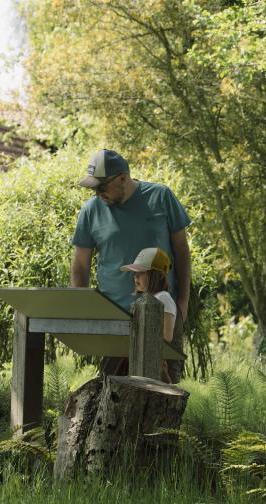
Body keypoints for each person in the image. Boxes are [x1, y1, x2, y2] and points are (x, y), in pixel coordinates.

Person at [70, 149, 191, 381]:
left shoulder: (161, 197)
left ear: (123, 178)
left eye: (102, 186)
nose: (98, 193)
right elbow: (80, 267)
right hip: (114, 318)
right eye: (94, 188)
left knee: (164, 393)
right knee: (112, 392)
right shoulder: (90, 211)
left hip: (163, 314)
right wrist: (82, 312)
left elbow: (182, 252)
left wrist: (183, 301)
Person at [120, 247, 176, 384]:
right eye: (135, 273)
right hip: (140, 362)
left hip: (154, 367)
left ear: (156, 275)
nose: (135, 277)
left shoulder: (163, 298)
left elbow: (167, 336)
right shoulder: (144, 300)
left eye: (141, 273)